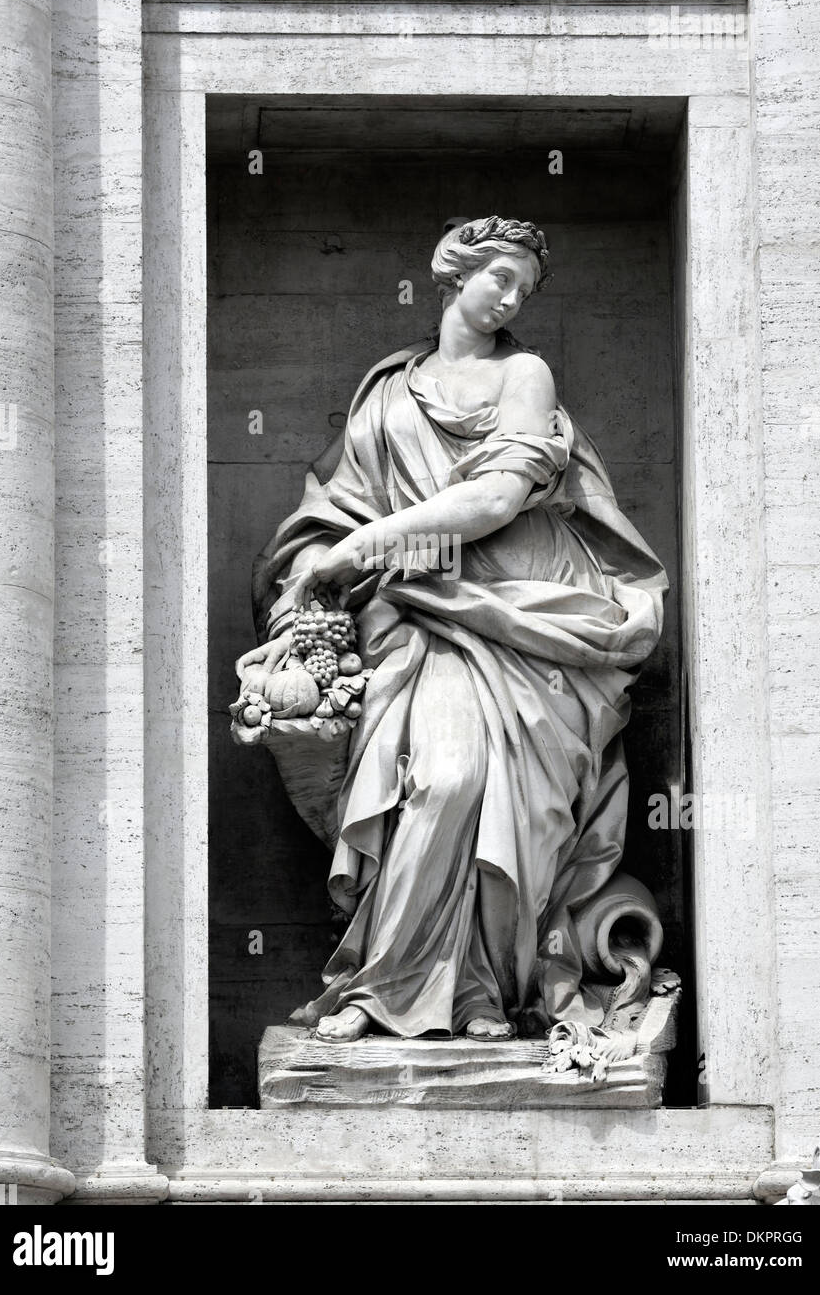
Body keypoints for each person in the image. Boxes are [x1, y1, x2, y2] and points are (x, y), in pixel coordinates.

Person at [237, 215, 668, 1044]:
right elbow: (336, 503)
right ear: (452, 273)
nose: (510, 297)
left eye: (525, 288)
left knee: (477, 784)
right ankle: (379, 986)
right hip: (407, 610)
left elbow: (496, 501)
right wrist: (322, 562)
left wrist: (364, 546)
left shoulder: (525, 374)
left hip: (516, 612)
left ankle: (482, 989)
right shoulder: (389, 389)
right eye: (498, 276)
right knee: (433, 784)